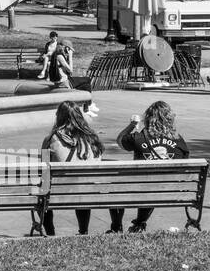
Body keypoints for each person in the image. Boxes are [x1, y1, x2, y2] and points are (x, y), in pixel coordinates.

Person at [109, 100, 190, 233]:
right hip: (169, 189)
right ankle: (140, 223)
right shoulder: (179, 140)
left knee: (117, 186)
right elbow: (185, 161)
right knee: (154, 185)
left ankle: (116, 227)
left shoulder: (139, 138)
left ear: (148, 119)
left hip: (140, 187)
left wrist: (133, 124)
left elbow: (120, 140)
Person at [40, 100, 104, 235]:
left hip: (60, 191)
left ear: (59, 116)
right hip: (90, 190)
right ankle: (83, 231)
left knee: (42, 192)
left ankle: (51, 233)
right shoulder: (92, 138)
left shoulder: (51, 138)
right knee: (82, 185)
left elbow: (44, 168)